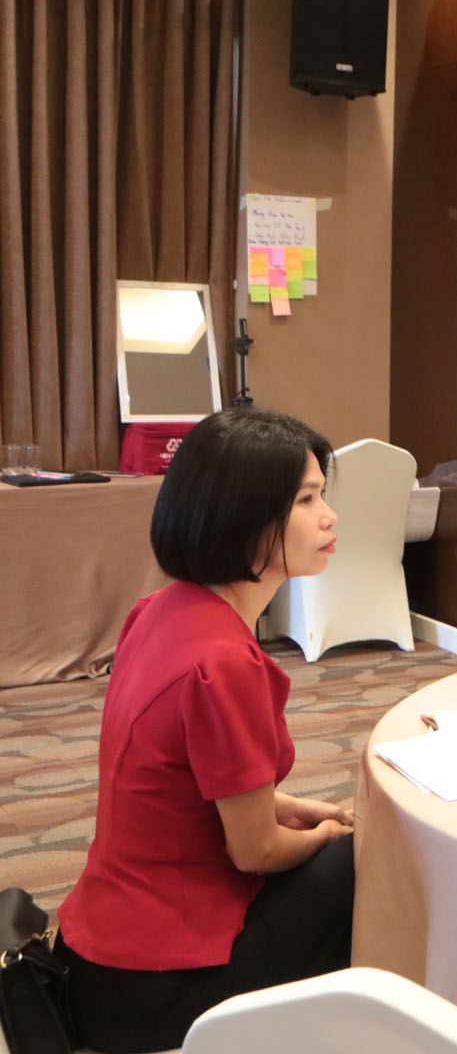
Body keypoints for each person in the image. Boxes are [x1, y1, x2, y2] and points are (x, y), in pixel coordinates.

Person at [53, 408, 356, 1053]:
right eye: (307, 500)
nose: (329, 516)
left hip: (94, 957)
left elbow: (179, 782)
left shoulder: (158, 611)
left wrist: (292, 806)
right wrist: (327, 836)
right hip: (158, 986)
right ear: (246, 517)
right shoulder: (224, 662)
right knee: (363, 858)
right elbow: (256, 852)